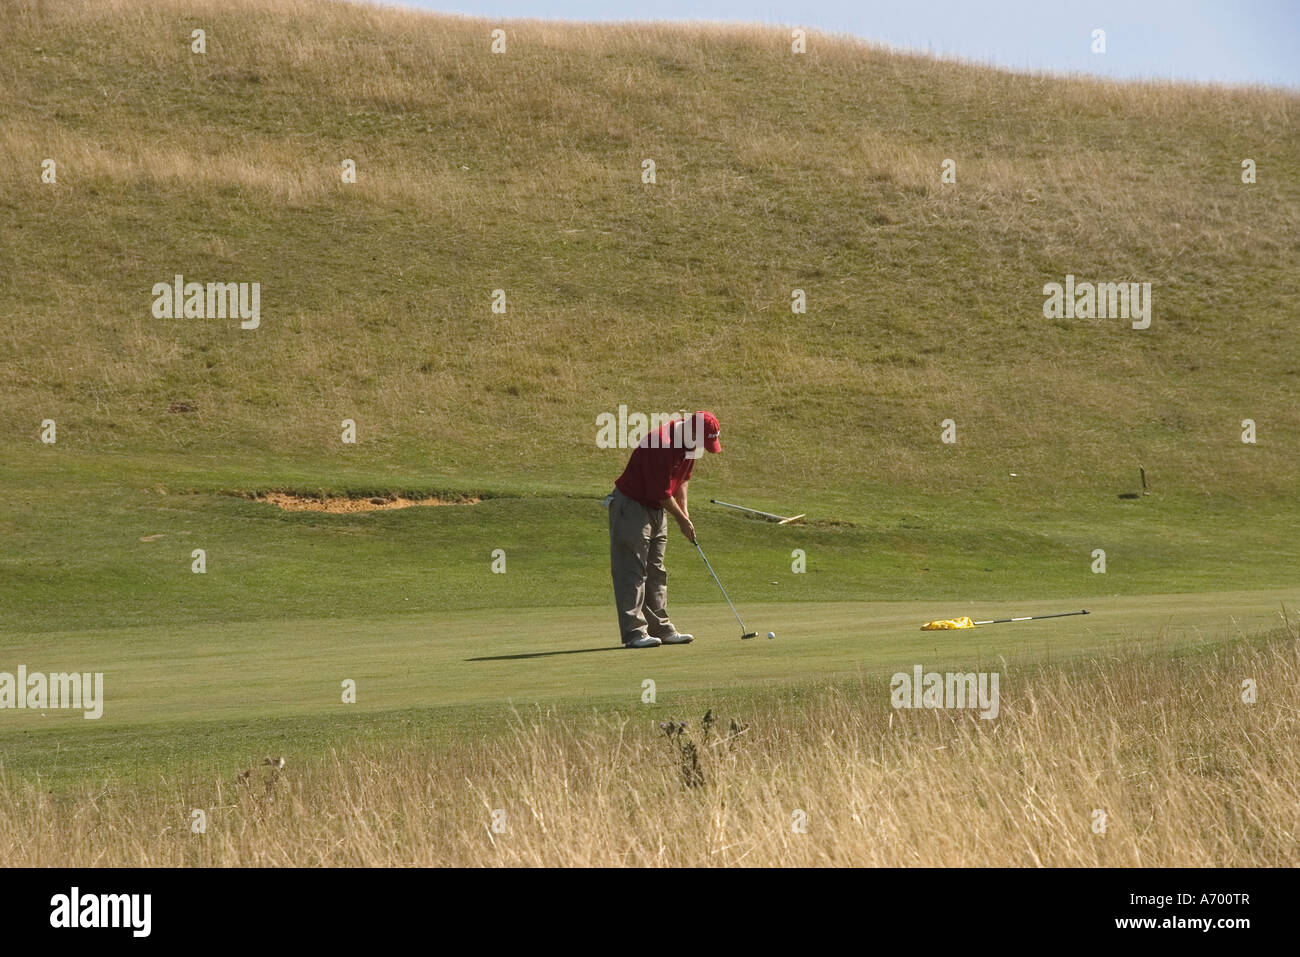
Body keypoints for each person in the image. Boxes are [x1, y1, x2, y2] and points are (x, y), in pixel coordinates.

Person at [606, 410, 721, 648]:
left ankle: (661, 628)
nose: (703, 447)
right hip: (632, 505)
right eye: (703, 440)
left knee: (656, 569)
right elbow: (660, 492)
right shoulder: (661, 442)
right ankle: (635, 633)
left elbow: (683, 478)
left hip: (657, 507)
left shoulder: (690, 443)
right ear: (692, 431)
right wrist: (681, 520)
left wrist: (684, 510)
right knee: (633, 570)